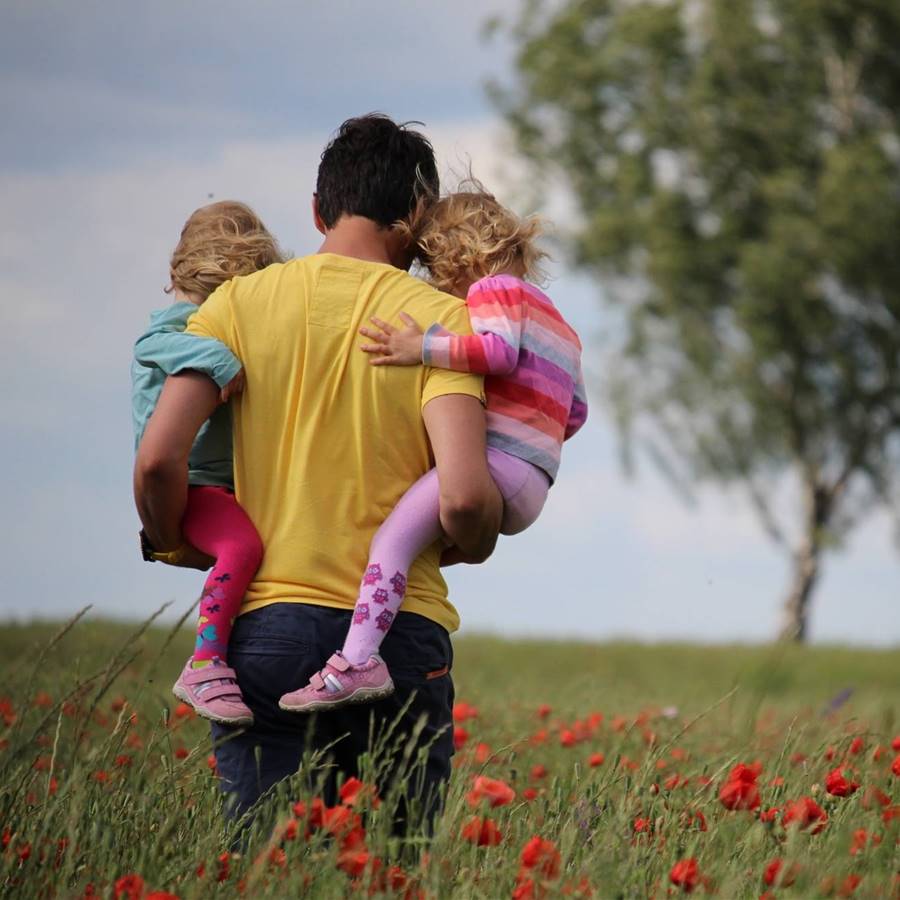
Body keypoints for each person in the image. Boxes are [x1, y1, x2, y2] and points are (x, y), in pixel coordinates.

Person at [133, 114, 503, 830]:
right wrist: (478, 536)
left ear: (316, 209)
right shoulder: (442, 323)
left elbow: (157, 458)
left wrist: (174, 537)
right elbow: (461, 497)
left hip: (265, 628)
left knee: (271, 865)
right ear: (418, 217)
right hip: (399, 637)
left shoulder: (235, 305)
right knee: (393, 870)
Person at [279, 185, 587, 713]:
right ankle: (373, 635)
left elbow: (495, 352)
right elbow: (575, 412)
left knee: (391, 543)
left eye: (434, 267)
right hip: (535, 481)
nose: (437, 283)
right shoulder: (561, 323)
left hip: (497, 465)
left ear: (459, 255)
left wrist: (418, 346)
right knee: (419, 544)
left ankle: (356, 661)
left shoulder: (494, 291)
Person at [132, 201, 283, 725]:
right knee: (242, 547)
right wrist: (221, 361)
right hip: (194, 484)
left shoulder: (203, 319)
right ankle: (206, 662)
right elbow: (152, 344)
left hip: (219, 485)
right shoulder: (181, 324)